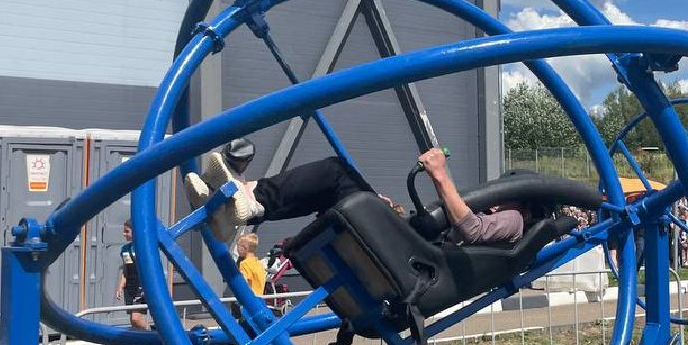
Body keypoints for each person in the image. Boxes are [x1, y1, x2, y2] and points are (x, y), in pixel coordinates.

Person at [185, 139, 525, 248]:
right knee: (331, 196)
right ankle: (241, 204)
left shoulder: (515, 219)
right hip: (404, 240)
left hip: (410, 253)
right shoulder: (501, 212)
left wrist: (440, 175)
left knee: (336, 173)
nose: (493, 196)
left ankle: (250, 196)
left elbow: (471, 230)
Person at [114, 219, 162, 345]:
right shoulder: (125, 249)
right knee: (134, 321)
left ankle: (155, 343)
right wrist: (120, 285)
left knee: (136, 318)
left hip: (144, 286)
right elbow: (126, 269)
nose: (124, 234)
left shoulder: (144, 248)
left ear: (136, 232)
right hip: (131, 286)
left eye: (127, 231)